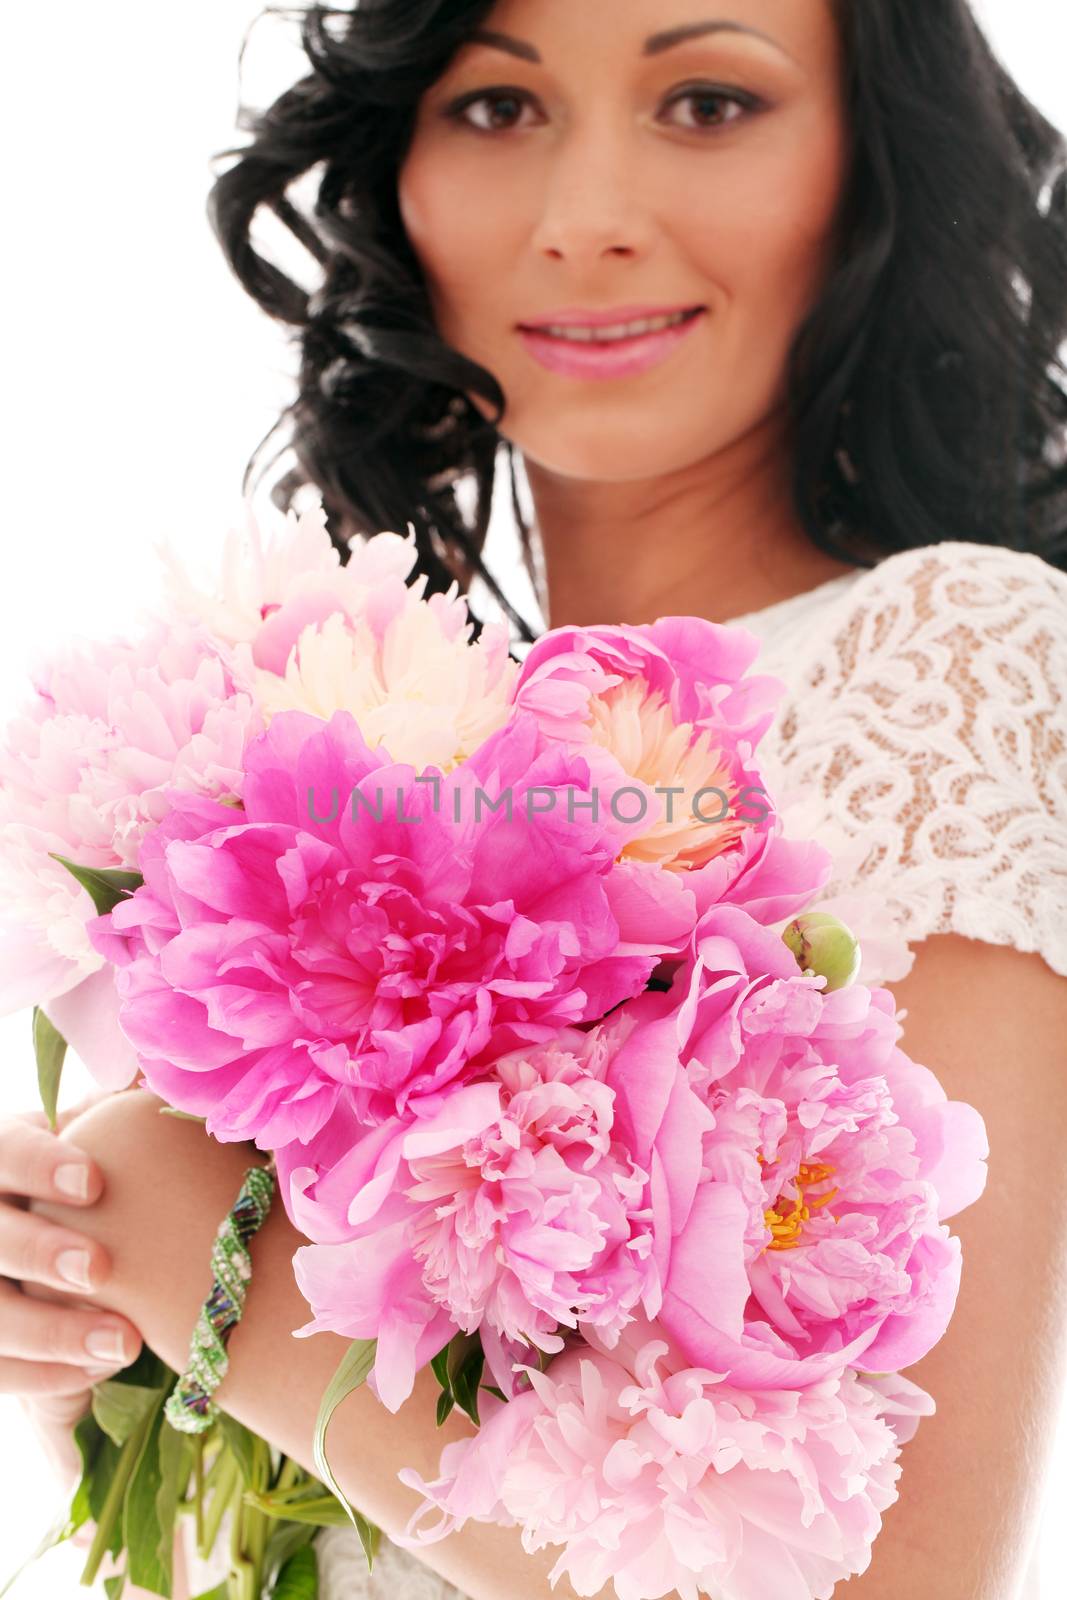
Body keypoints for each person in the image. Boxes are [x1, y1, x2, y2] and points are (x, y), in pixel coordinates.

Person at [3, 1, 1067, 1596]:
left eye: (709, 101)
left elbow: (901, 1576)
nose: (586, 222)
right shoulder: (336, 757)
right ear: (398, 175)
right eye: (499, 109)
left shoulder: (959, 658)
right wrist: (92, 1331)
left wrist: (212, 1265)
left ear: (870, 165)